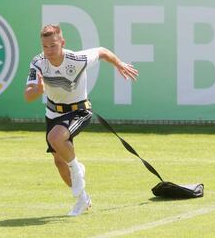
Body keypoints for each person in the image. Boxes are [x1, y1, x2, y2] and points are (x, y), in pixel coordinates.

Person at [24, 24, 138, 216]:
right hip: (53, 114)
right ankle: (83, 199)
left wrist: (119, 64)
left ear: (62, 42)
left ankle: (76, 169)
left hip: (79, 111)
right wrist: (39, 89)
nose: (49, 51)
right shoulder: (38, 63)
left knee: (55, 138)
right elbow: (28, 95)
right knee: (59, 162)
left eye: (53, 45)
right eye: (45, 46)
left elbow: (102, 51)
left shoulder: (76, 59)